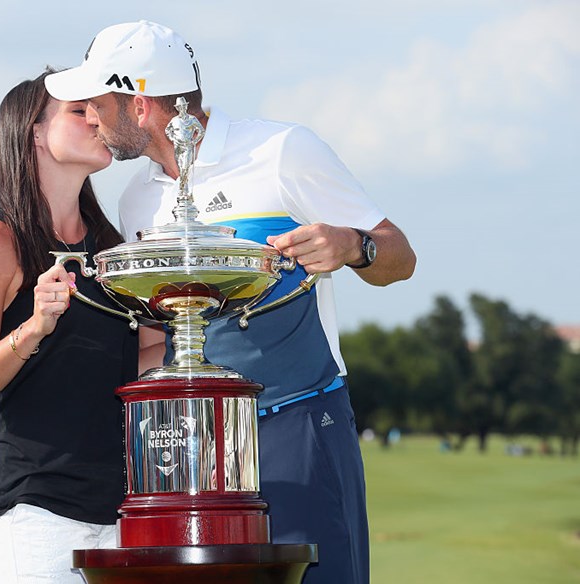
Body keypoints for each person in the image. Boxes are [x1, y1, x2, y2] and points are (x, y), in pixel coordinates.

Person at [45, 21, 416, 584]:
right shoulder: (136, 199)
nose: (89, 116)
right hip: (193, 440)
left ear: (139, 105)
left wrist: (352, 245)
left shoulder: (281, 150)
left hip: (297, 419)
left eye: (96, 102)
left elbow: (401, 256)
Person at [0, 69, 138, 584]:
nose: (98, 119)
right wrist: (32, 329)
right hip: (39, 512)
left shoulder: (116, 250)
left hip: (129, 509)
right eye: (80, 111)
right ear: (34, 131)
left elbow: (129, 362)